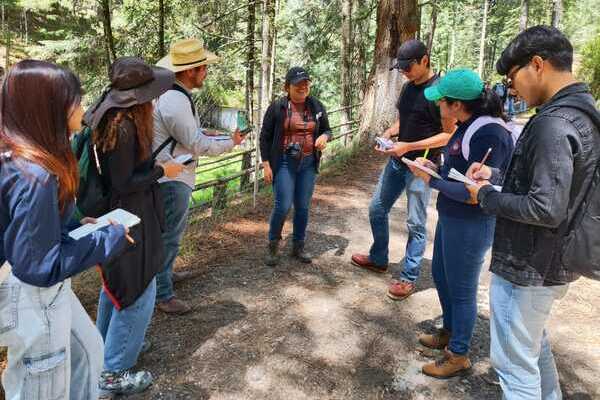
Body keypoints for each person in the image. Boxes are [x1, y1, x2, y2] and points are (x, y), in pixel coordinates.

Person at [466, 26, 600, 399]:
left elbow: (545, 206)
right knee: (531, 347)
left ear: (537, 65)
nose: (512, 89)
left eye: (512, 78)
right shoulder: (580, 112)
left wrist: (487, 196)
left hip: (529, 266)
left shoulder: (554, 124)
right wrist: (494, 174)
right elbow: (551, 181)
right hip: (549, 264)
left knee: (514, 367)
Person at [0, 60, 130, 400]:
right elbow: (38, 266)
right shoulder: (35, 175)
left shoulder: (22, 159)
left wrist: (72, 225)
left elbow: (23, 224)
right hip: (31, 295)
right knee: (42, 388)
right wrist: (107, 240)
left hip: (42, 290)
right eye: (75, 100)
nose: (83, 108)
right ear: (50, 108)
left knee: (88, 352)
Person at [85, 57, 184, 396]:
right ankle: (112, 372)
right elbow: (124, 182)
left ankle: (105, 353)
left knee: (116, 288)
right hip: (129, 217)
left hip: (118, 215)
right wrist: (162, 172)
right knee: (138, 291)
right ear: (137, 97)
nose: (155, 99)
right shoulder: (125, 127)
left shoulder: (109, 118)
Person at [407, 69, 514, 378]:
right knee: (441, 274)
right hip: (451, 216)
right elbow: (459, 169)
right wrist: (435, 166)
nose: (437, 106)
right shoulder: (466, 126)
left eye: (441, 101)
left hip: (471, 222)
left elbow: (475, 193)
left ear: (456, 104)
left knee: (463, 287)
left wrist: (431, 181)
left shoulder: (489, 133)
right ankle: (450, 330)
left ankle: (459, 353)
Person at [351, 39, 455, 300]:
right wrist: (389, 133)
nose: (405, 71)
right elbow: (405, 118)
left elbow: (448, 135)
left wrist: (410, 146)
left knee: (416, 222)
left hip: (421, 166)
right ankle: (379, 258)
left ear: (425, 60)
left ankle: (408, 277)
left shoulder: (440, 91)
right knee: (377, 208)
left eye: (409, 66)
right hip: (398, 161)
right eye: (402, 67)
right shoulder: (408, 88)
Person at [152, 38, 245, 314]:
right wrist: (231, 143)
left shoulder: (173, 95)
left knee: (171, 233)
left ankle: (165, 277)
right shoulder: (175, 101)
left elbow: (189, 136)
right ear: (190, 70)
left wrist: (211, 134)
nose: (206, 72)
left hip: (174, 173)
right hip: (172, 178)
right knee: (169, 235)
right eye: (203, 67)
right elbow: (197, 145)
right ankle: (162, 293)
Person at [260, 67, 332, 266]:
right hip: (284, 162)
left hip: (308, 162)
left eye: (306, 83)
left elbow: (327, 129)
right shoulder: (278, 107)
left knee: (302, 206)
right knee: (282, 205)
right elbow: (265, 137)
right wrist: (266, 165)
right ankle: (273, 244)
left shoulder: (317, 106)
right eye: (298, 84)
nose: (303, 87)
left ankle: (298, 246)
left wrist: (324, 137)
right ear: (287, 87)